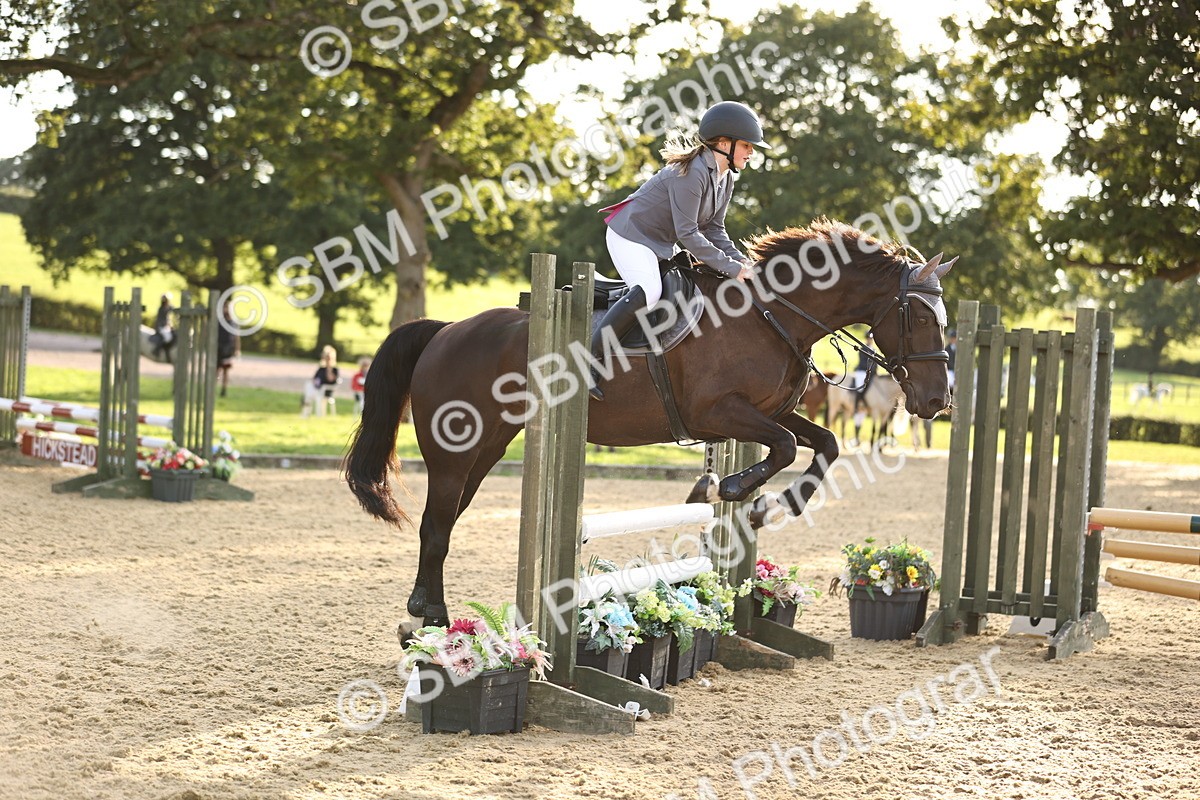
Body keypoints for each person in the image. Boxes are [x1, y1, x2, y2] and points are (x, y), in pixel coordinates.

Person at [589, 101, 769, 400]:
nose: (751, 152)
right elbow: (688, 234)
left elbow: (715, 229)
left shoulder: (725, 178)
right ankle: (592, 359)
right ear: (724, 143)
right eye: (747, 145)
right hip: (630, 234)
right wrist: (733, 269)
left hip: (659, 241)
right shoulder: (692, 174)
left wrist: (742, 262)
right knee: (649, 291)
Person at [216, 299, 240, 398]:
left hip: (228, 349)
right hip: (219, 348)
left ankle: (224, 389)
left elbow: (237, 337)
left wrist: (237, 349)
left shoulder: (233, 323)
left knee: (226, 371)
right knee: (216, 370)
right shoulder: (220, 321)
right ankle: (213, 388)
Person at [313, 345, 340, 416]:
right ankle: (306, 410)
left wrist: (329, 368)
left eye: (329, 358)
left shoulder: (334, 369)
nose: (327, 359)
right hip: (318, 388)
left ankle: (319, 414)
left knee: (319, 395)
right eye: (326, 357)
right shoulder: (321, 369)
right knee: (308, 387)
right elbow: (315, 378)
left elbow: (331, 379)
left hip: (327, 390)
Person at [152, 293, 175, 360]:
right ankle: (157, 350)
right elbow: (162, 320)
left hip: (165, 327)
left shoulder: (167, 307)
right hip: (161, 327)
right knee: (167, 338)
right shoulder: (162, 309)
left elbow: (172, 309)